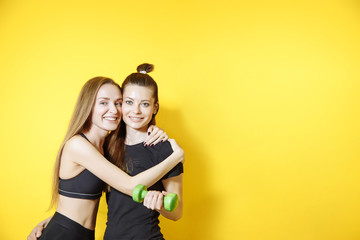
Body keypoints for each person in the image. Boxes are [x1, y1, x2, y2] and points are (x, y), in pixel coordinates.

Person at [27, 76, 184, 240]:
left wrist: (48, 221)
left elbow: (77, 198)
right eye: (104, 103)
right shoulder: (88, 146)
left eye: (117, 103)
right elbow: (129, 186)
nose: (114, 110)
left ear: (154, 107)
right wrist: (176, 157)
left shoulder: (107, 148)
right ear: (88, 106)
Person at [104, 63, 184, 239]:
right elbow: (86, 192)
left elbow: (177, 212)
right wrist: (57, 220)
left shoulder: (165, 149)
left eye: (145, 104)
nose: (136, 111)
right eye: (129, 102)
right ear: (121, 104)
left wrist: (160, 204)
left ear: (155, 107)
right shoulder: (106, 144)